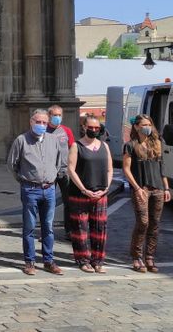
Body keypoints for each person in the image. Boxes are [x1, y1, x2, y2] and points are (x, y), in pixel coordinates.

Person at [7, 108, 67, 276]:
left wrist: (54, 177)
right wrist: (23, 180)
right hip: (30, 189)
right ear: (31, 122)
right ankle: (30, 262)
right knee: (29, 227)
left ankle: (48, 261)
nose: (41, 125)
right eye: (37, 122)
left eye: (43, 122)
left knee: (48, 227)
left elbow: (60, 162)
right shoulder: (22, 140)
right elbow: (12, 164)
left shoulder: (53, 140)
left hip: (49, 190)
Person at [122, 114, 170, 273]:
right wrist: (136, 188)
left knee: (155, 224)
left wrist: (166, 188)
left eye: (149, 124)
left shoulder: (157, 143)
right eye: (143, 124)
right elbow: (126, 169)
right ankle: (136, 256)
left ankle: (150, 257)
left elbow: (162, 168)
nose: (147, 127)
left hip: (158, 187)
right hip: (141, 188)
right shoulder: (130, 145)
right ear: (136, 127)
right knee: (143, 222)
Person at [67, 114, 113, 273]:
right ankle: (83, 260)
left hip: (100, 194)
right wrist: (84, 189)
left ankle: (98, 261)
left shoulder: (104, 146)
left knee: (99, 229)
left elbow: (109, 169)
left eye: (96, 128)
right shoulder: (76, 146)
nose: (94, 130)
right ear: (84, 127)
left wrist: (106, 187)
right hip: (80, 194)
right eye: (91, 127)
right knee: (80, 229)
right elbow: (71, 170)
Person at [47, 105, 75, 239]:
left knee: (68, 202)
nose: (57, 117)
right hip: (49, 173)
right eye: (54, 115)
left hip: (65, 172)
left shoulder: (66, 131)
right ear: (49, 116)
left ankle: (69, 230)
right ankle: (47, 231)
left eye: (59, 115)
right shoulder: (43, 131)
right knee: (48, 203)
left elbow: (73, 149)